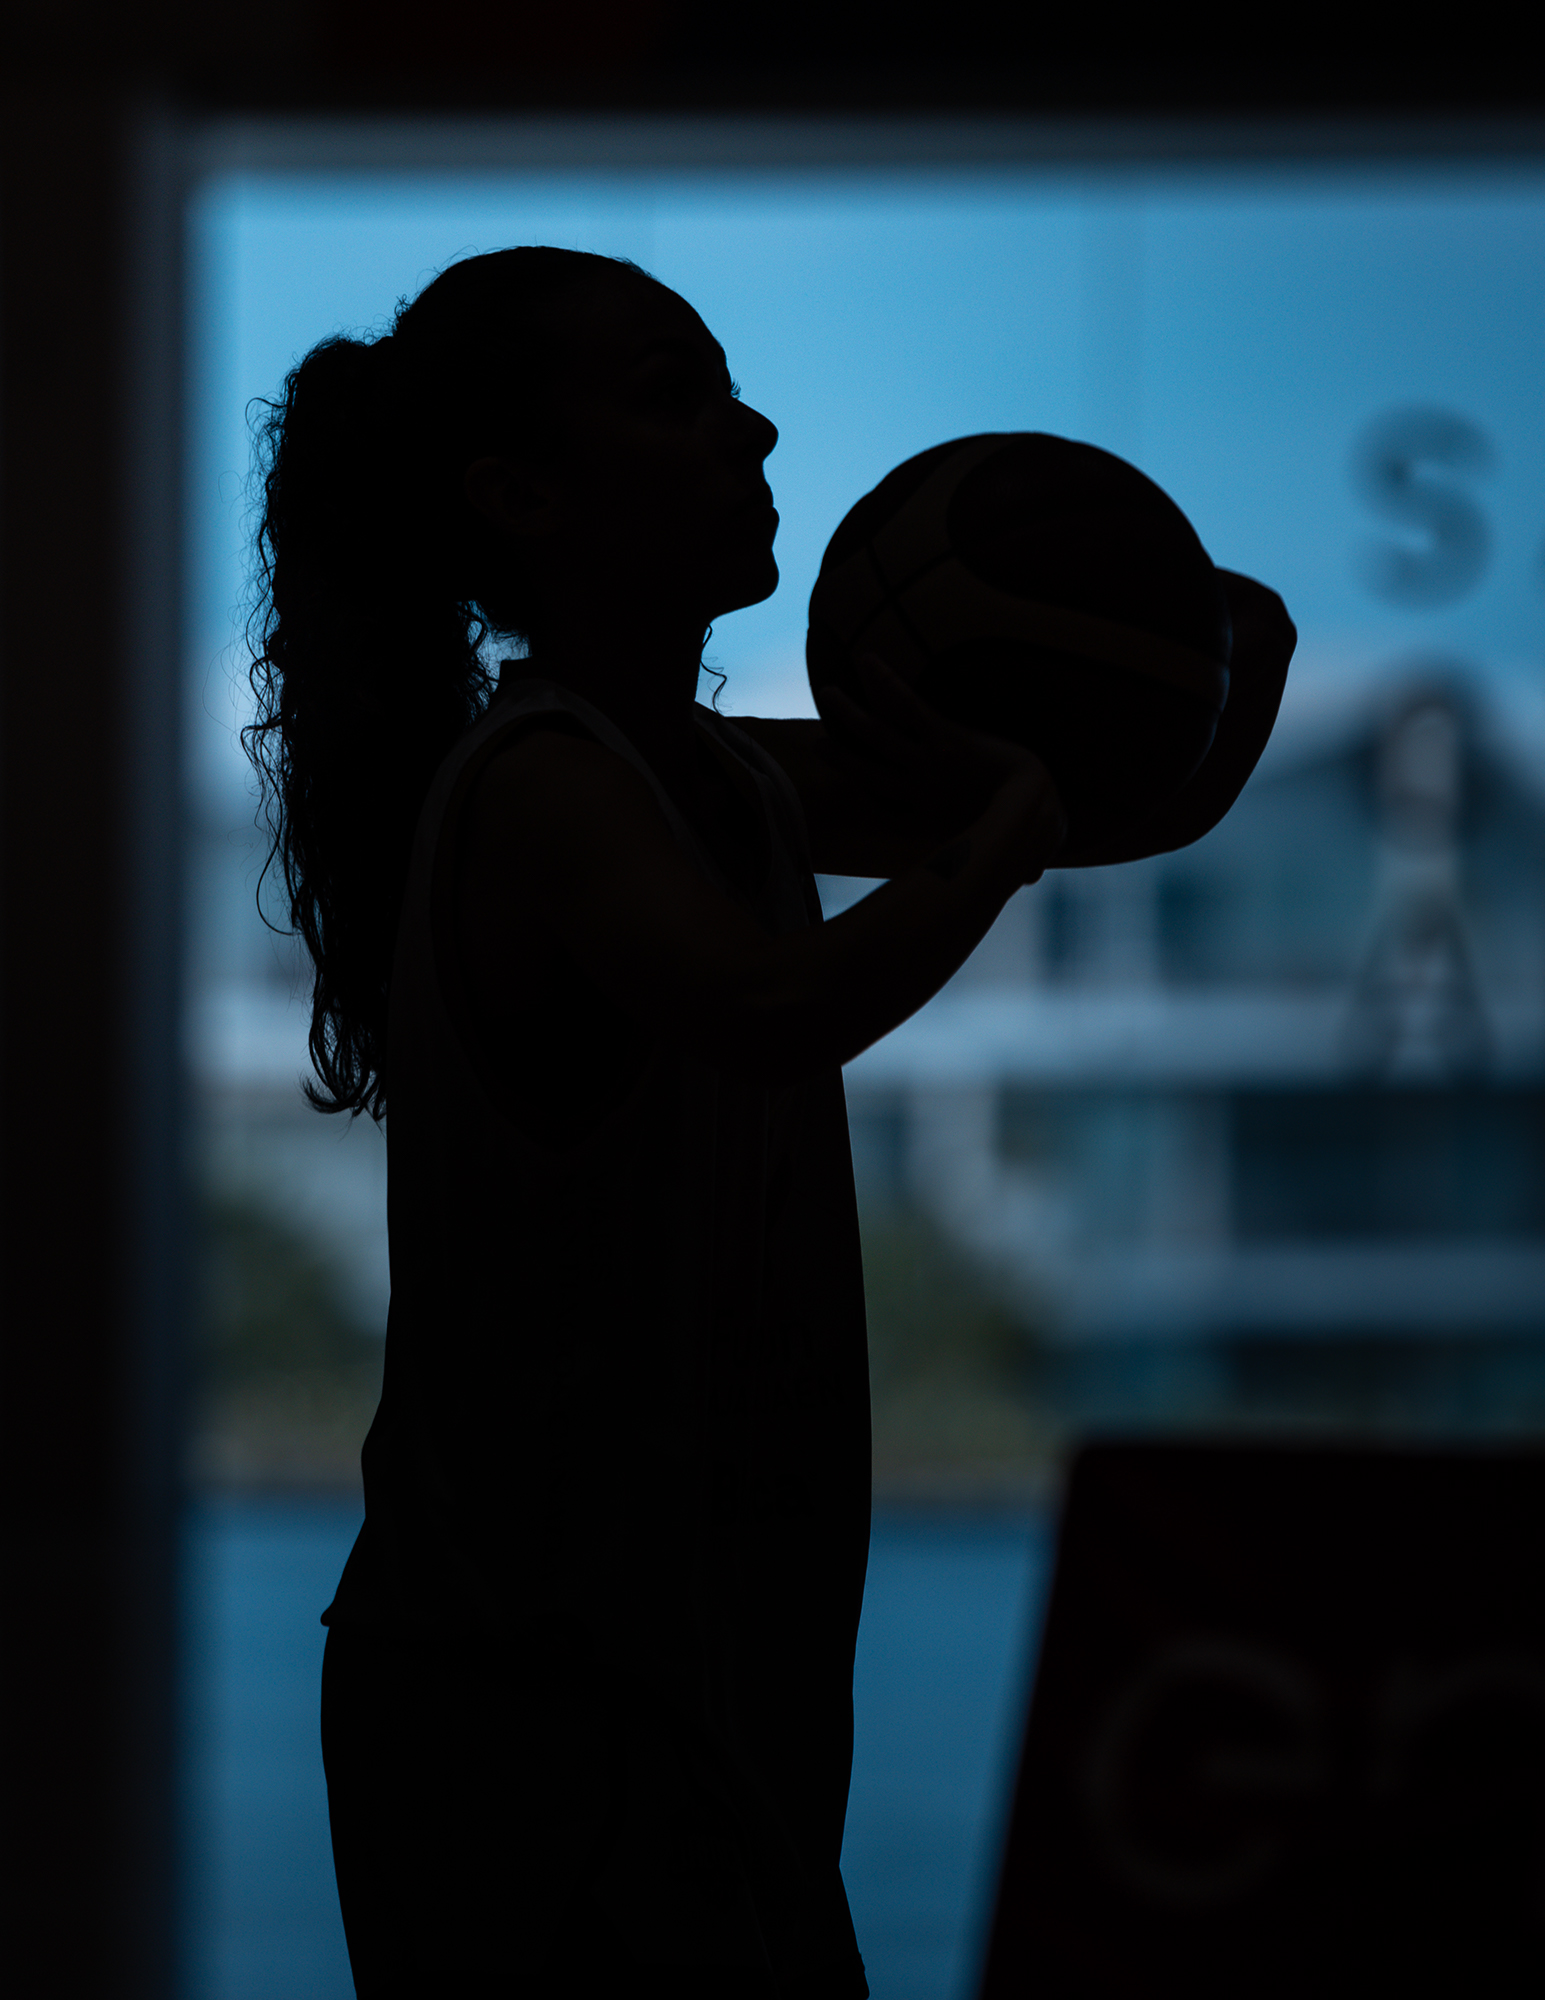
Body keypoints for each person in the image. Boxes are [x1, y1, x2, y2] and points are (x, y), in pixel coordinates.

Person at [244, 245, 1290, 1999]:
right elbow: (772, 1003)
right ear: (525, 498)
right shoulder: (542, 793)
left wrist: (1188, 632)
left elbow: (1116, 811)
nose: (760, 426)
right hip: (530, 1714)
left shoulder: (726, 777)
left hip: (696, 1689)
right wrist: (1014, 793)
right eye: (680, 396)